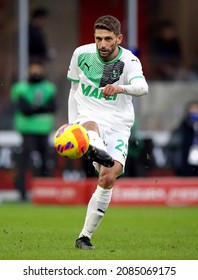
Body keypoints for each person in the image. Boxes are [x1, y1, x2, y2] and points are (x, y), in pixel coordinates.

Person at [67, 15, 148, 250]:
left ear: (118, 39)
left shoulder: (129, 61)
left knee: (108, 176)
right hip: (88, 115)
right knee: (90, 126)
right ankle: (93, 148)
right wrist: (74, 124)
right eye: (98, 38)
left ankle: (84, 237)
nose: (102, 44)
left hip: (119, 124)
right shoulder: (81, 54)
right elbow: (73, 89)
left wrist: (121, 87)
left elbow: (143, 88)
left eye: (108, 39)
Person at [11, 61, 57, 201]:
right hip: (27, 130)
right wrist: (40, 109)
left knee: (45, 162)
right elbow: (25, 109)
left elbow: (52, 107)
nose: (36, 72)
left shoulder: (49, 88)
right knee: (25, 163)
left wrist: (34, 109)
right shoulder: (20, 88)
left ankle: (46, 192)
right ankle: (22, 192)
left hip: (44, 129)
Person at [168, 101, 198, 176]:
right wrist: (175, 165)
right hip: (184, 170)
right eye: (192, 110)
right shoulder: (180, 131)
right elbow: (172, 149)